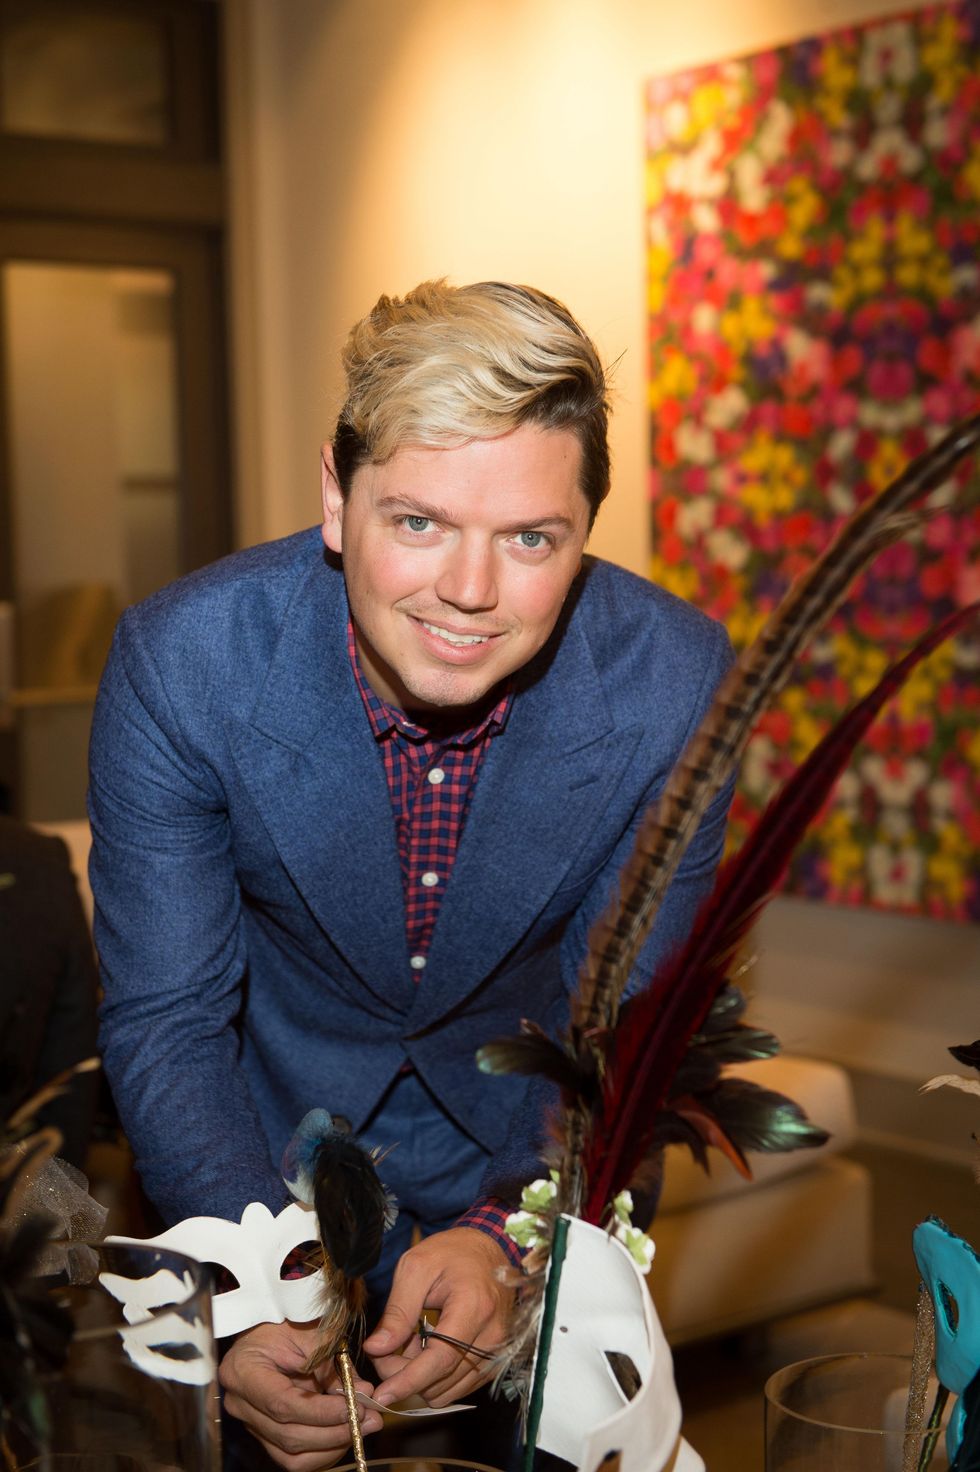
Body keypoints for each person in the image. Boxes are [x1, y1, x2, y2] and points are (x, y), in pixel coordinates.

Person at [88, 279, 734, 1469]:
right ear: (337, 498)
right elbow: (169, 1017)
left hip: (521, 1153)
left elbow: (627, 1025)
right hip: (247, 1153)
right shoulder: (183, 661)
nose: (469, 591)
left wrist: (506, 1237)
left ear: (585, 530)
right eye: (419, 522)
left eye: (530, 538)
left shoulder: (676, 685)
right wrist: (251, 1282)